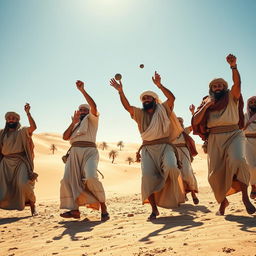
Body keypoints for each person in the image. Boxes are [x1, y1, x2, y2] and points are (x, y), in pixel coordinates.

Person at [110, 71, 185, 220]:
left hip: (165, 146)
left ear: (155, 100)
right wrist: (120, 91)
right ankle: (154, 209)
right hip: (147, 149)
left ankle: (171, 194)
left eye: (148, 98)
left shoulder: (163, 109)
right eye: (143, 99)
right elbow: (127, 107)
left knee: (171, 167)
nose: (145, 100)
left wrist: (159, 85)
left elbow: (172, 98)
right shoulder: (139, 113)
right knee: (147, 177)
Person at [192, 54, 255, 215]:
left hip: (234, 134)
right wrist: (206, 107)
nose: (218, 87)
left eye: (221, 85)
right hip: (214, 138)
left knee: (238, 160)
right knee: (214, 176)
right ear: (211, 89)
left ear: (225, 88)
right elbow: (196, 119)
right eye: (215, 86)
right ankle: (223, 201)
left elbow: (237, 83)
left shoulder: (232, 96)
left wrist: (233, 66)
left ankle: (245, 198)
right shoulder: (206, 101)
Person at [60, 80, 109, 221]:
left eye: (85, 110)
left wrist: (82, 91)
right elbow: (65, 137)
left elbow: (94, 106)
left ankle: (103, 207)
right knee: (67, 180)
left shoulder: (92, 120)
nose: (82, 112)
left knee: (91, 177)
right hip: (74, 153)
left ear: (89, 112)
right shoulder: (75, 124)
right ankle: (74, 210)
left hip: (89, 151)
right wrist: (73, 123)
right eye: (80, 110)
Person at [0, 103, 38, 216]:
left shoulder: (22, 131)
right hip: (5, 163)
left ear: (17, 120)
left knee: (23, 184)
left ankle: (32, 204)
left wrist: (28, 113)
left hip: (20, 161)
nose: (11, 120)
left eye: (13, 118)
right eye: (8, 118)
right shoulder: (1, 133)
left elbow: (33, 127)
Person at [173, 105, 199, 204]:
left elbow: (195, 124)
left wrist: (193, 113)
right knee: (177, 174)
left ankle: (193, 193)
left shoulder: (185, 131)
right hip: (174, 153)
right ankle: (182, 194)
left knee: (187, 172)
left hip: (184, 152)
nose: (179, 123)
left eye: (181, 122)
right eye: (177, 121)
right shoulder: (170, 132)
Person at [244, 96, 256, 199]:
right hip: (247, 142)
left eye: (255, 101)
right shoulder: (244, 116)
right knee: (251, 167)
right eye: (251, 102)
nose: (253, 103)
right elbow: (240, 129)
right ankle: (253, 186)